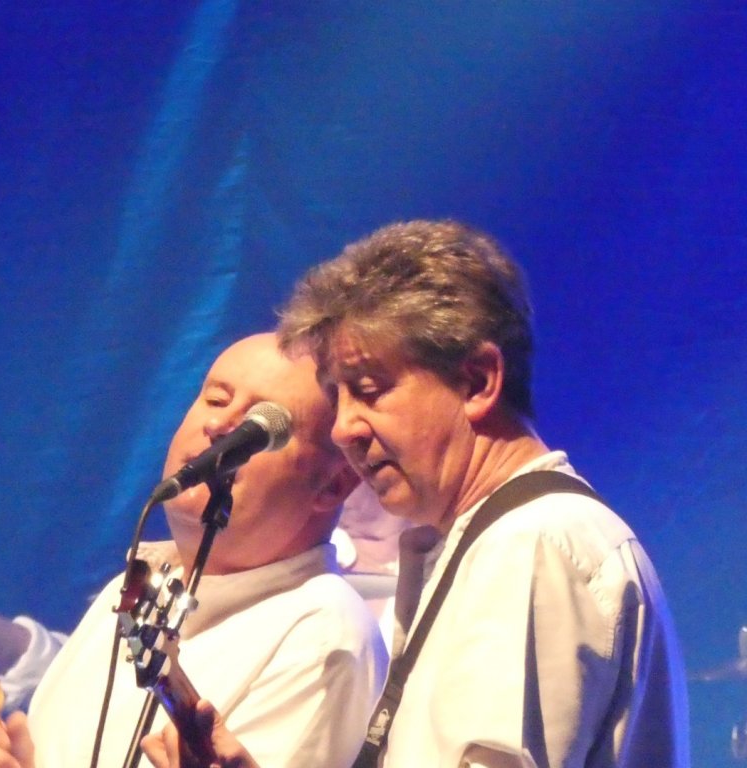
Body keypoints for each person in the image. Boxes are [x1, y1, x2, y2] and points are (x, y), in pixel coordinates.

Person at [143, 220, 690, 768]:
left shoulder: (532, 543)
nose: (343, 430)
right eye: (338, 399)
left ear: (478, 382)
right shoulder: (504, 542)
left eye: (369, 391)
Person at [0, 332, 389, 768]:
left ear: (334, 485)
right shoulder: (134, 589)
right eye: (215, 400)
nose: (220, 429)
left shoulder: (321, 633)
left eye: (263, 427)